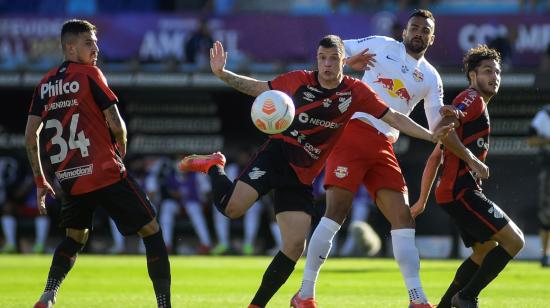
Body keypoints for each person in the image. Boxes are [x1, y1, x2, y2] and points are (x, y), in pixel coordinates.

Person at [179, 34, 454, 308]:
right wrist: (223, 74)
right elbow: (260, 88)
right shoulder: (299, 80)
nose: (327, 64)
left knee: (294, 246)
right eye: (322, 58)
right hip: (277, 156)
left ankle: (258, 305)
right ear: (317, 60)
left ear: (343, 62)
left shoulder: (355, 92)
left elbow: (394, 117)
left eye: (333, 59)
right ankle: (215, 166)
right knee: (232, 210)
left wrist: (430, 136)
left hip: (302, 175)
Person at [293, 10, 487, 308]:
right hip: (354, 130)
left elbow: (437, 129)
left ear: (432, 38)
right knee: (337, 212)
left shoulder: (431, 77)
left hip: (385, 143)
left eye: (425, 29)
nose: (418, 32)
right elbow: (332, 51)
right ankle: (305, 294)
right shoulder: (383, 45)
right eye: (414, 27)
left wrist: (454, 125)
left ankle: (417, 300)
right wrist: (346, 62)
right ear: (404, 31)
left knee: (403, 217)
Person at [26, 20, 171, 307]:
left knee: (75, 237)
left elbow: (31, 135)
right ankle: (164, 304)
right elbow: (117, 125)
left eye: (95, 42)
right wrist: (121, 152)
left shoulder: (44, 84)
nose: (96, 48)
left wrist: (40, 180)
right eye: (88, 43)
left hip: (70, 178)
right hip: (105, 172)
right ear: (70, 47)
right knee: (152, 230)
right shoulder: (90, 74)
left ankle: (48, 293)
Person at [411, 44, 525, 308]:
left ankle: (444, 305)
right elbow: (443, 129)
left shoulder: (475, 103)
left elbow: (434, 156)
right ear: (473, 76)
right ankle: (466, 298)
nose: (494, 76)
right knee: (515, 240)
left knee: (484, 251)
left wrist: (422, 201)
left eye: (497, 72)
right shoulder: (472, 99)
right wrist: (473, 160)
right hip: (461, 190)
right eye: (487, 71)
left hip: (451, 192)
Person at [527, 104, 550, 267]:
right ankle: (545, 254)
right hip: (549, 169)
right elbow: (531, 139)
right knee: (546, 214)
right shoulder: (545, 115)